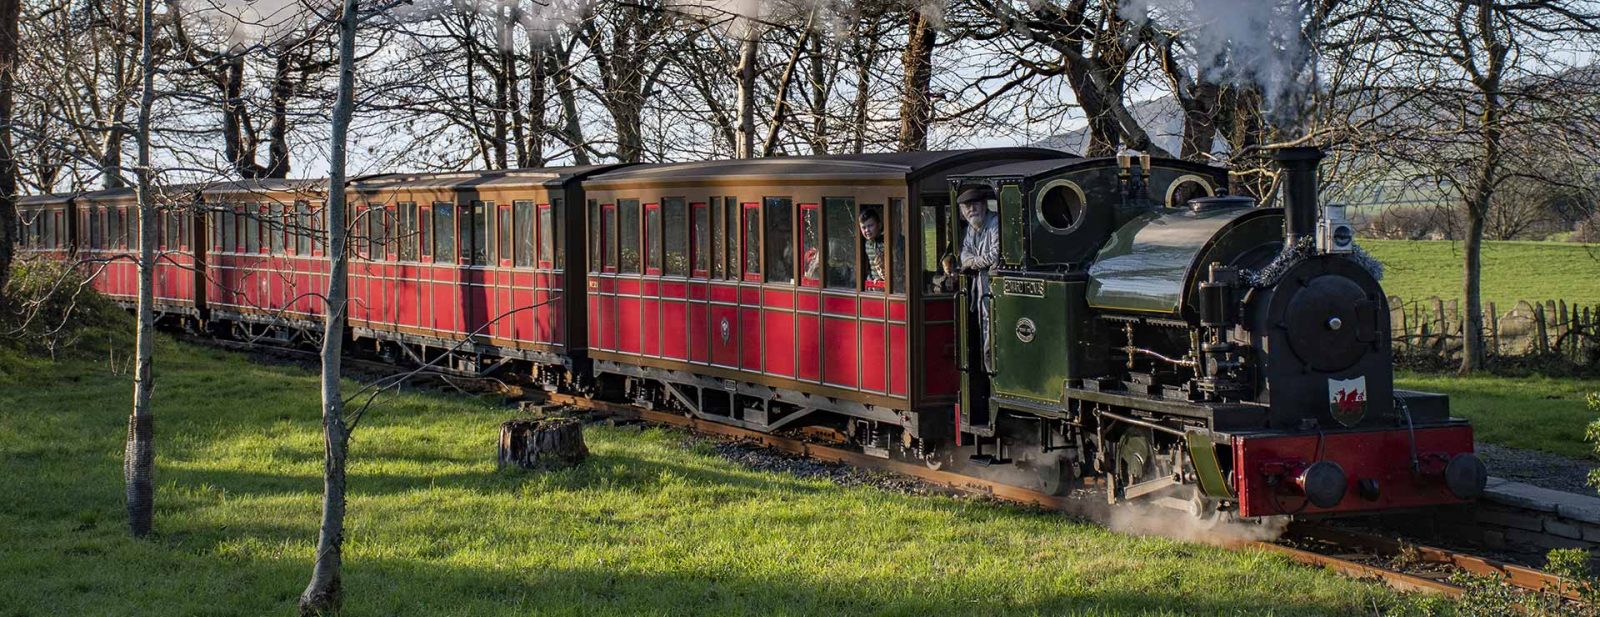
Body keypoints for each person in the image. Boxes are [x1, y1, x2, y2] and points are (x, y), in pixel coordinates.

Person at [948, 186, 999, 372]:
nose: (972, 210)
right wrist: (974, 262)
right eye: (967, 207)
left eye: (975, 205)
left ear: (984, 205)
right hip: (980, 292)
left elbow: (995, 255)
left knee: (991, 338)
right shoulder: (971, 228)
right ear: (962, 211)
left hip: (993, 291)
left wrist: (973, 263)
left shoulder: (994, 223)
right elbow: (964, 255)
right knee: (983, 334)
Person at [859, 207, 886, 284]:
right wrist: (870, 279)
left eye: (870, 226)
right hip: (875, 286)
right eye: (864, 227)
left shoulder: (887, 242)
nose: (867, 230)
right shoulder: (867, 244)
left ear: (879, 225)